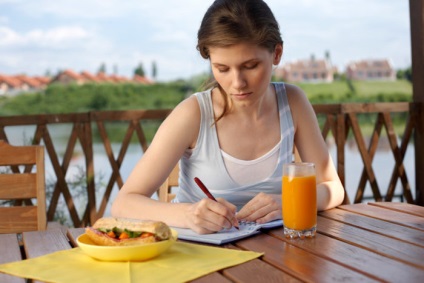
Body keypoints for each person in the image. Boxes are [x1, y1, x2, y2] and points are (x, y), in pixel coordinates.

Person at [111, 0, 345, 234]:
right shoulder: (193, 113)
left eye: (251, 66)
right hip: (202, 257)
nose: (237, 83)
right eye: (222, 69)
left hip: (277, 255)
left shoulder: (293, 102)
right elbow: (124, 203)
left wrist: (290, 201)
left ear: (277, 53)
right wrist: (188, 214)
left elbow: (333, 187)